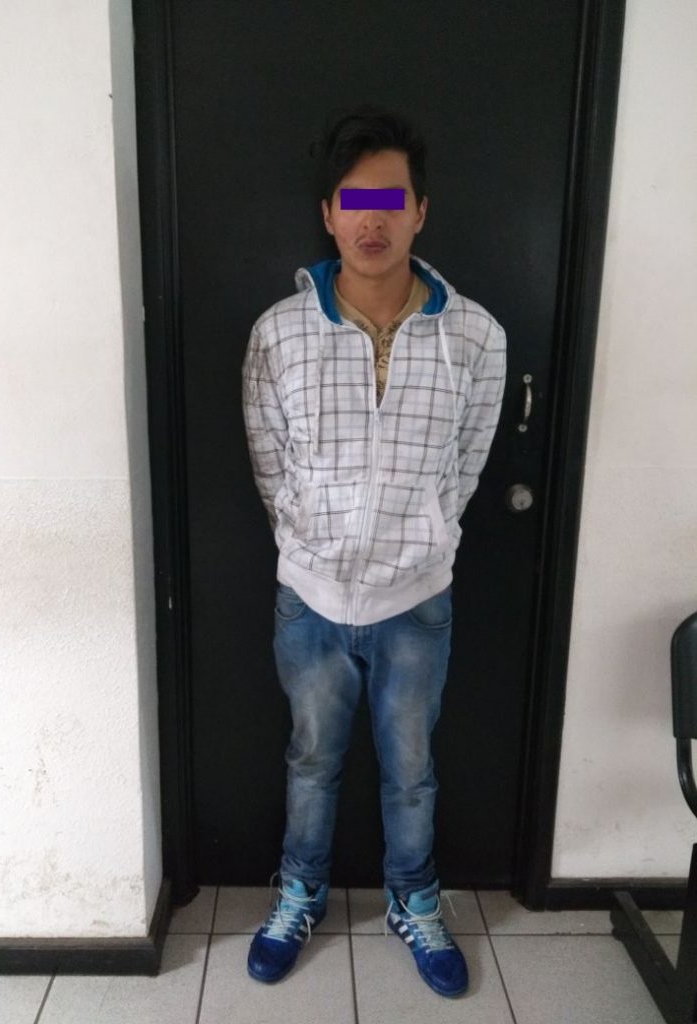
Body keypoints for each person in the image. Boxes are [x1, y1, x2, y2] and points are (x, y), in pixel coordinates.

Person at [241, 105, 506, 998]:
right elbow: (269, 461)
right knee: (311, 759)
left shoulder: (477, 336)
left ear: (421, 211)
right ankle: (300, 891)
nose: (372, 220)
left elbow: (468, 460)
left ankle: (414, 901)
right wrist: (307, 542)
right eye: (354, 201)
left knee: (412, 769)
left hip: (416, 598)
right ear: (327, 213)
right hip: (310, 597)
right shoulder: (279, 333)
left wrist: (429, 534)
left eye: (391, 200)